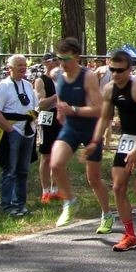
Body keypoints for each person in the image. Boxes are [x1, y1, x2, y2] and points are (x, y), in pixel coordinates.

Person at [85, 50, 136, 251]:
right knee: (118, 187)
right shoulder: (109, 89)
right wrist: (95, 140)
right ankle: (129, 235)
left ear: (129, 70)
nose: (116, 74)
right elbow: (105, 117)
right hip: (127, 139)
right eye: (112, 70)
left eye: (120, 70)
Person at [50, 37, 113, 231]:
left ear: (77, 57)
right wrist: (62, 111)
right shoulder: (58, 74)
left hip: (90, 129)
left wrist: (73, 109)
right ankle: (70, 201)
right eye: (59, 58)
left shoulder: (88, 76)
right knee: (55, 164)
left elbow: (99, 109)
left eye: (66, 59)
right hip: (71, 127)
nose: (62, 63)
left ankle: (107, 214)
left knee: (93, 178)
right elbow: (61, 97)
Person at [0, 54, 38, 217]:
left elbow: (35, 106)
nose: (23, 68)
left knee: (23, 170)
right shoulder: (3, 86)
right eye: (19, 65)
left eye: (24, 65)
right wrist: (9, 130)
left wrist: (33, 122)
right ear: (10, 68)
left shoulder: (28, 85)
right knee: (10, 169)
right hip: (13, 131)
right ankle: (6, 204)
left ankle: (20, 203)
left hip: (28, 131)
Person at [34, 53, 62, 203]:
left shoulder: (63, 78)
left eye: (58, 60)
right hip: (48, 117)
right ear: (45, 63)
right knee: (46, 156)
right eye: (54, 60)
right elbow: (42, 103)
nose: (57, 63)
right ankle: (45, 190)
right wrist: (58, 95)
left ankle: (56, 189)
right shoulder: (41, 80)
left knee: (59, 155)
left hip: (62, 117)